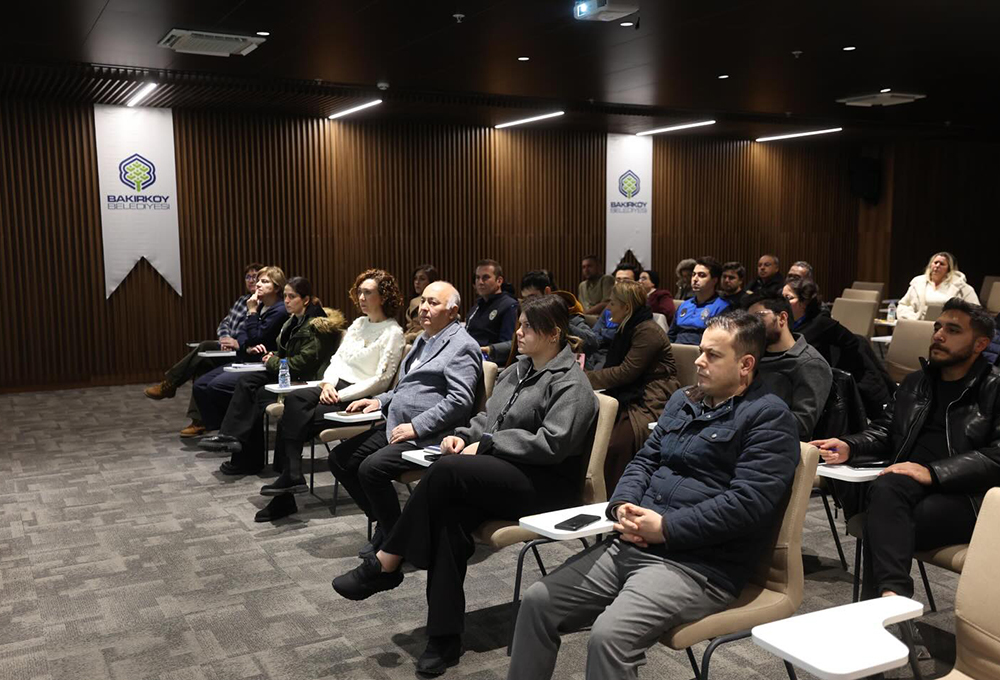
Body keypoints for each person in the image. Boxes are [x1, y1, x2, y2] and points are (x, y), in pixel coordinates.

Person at [507, 311, 800, 680]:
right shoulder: (684, 400)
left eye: (712, 355)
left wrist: (665, 528)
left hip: (699, 565)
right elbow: (644, 460)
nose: (698, 361)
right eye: (701, 351)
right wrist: (622, 506)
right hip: (634, 543)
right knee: (538, 602)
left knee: (609, 637)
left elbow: (747, 505)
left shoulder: (769, 419)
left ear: (746, 365)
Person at [331, 294, 600, 675]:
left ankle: (388, 560)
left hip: (547, 487)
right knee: (448, 519)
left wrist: (489, 444)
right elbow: (488, 420)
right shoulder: (517, 371)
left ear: (553, 334)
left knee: (448, 471)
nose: (518, 332)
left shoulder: (571, 383)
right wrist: (461, 435)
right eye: (519, 324)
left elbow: (553, 444)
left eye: (527, 326)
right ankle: (444, 639)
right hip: (504, 476)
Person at [810, 298, 999, 600]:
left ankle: (888, 604)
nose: (939, 335)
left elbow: (996, 457)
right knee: (887, 498)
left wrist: (932, 472)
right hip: (906, 491)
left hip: (971, 500)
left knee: (880, 517)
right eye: (937, 327)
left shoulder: (994, 389)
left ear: (980, 344)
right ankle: (892, 603)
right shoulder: (916, 383)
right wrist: (849, 446)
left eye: (953, 330)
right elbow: (886, 431)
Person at [327, 281, 482, 554]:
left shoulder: (462, 346)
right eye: (423, 301)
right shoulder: (424, 339)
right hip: (397, 424)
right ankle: (391, 527)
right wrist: (379, 400)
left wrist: (417, 427)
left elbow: (460, 401)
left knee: (371, 469)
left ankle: (394, 542)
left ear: (452, 311)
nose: (423, 308)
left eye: (433, 303)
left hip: (431, 435)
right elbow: (404, 389)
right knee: (340, 460)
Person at [254, 270, 406, 521]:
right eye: (360, 292)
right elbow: (337, 361)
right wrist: (327, 385)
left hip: (360, 397)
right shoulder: (358, 324)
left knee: (291, 420)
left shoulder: (393, 332)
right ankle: (291, 478)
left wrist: (341, 394)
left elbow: (380, 381)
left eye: (368, 292)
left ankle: (287, 490)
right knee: (294, 401)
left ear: (384, 297)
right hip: (334, 387)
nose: (361, 297)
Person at [198, 277, 345, 475]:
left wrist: (272, 361)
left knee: (251, 389)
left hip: (304, 380)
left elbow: (302, 364)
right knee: (249, 385)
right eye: (285, 296)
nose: (286, 301)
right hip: (288, 374)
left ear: (306, 300)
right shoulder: (293, 321)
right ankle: (236, 445)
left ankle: (241, 452)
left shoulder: (317, 327)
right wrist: (273, 355)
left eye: (292, 296)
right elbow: (286, 353)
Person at [144, 262, 263, 437]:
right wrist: (224, 338)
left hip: (243, 353)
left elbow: (253, 334)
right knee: (203, 364)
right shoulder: (241, 301)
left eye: (256, 277)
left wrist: (235, 341)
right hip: (227, 348)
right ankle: (198, 421)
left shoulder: (262, 304)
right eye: (248, 277)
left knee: (205, 347)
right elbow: (224, 323)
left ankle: (171, 384)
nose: (251, 280)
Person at [587, 280, 680, 495]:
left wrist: (585, 378)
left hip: (650, 397)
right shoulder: (628, 327)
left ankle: (616, 496)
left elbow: (625, 372)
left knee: (614, 445)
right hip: (628, 391)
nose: (608, 308)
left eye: (612, 303)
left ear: (627, 307)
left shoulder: (648, 332)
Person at [191, 266, 290, 434]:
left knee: (217, 386)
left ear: (277, 287)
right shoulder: (260, 307)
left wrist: (251, 312)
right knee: (200, 385)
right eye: (258, 281)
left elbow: (256, 337)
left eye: (264, 281)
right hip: (247, 359)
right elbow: (242, 334)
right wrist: (247, 347)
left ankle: (234, 431)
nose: (258, 284)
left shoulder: (279, 310)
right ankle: (220, 429)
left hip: (264, 365)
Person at [784, 277, 894, 419]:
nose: (782, 302)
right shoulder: (786, 323)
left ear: (804, 302)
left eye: (788, 298)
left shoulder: (822, 323)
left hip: (817, 383)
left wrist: (836, 372)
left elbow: (853, 342)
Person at [748, 295, 833, 440]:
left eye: (758, 316)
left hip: (773, 442)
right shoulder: (753, 357)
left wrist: (748, 418)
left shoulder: (809, 363)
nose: (752, 325)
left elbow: (802, 425)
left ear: (782, 318)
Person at [484, 270, 597, 365]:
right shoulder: (527, 314)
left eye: (533, 297)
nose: (529, 304)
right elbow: (523, 341)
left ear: (547, 292)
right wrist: (492, 349)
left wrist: (557, 321)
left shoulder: (568, 311)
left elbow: (592, 343)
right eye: (525, 299)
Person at [588, 263, 641, 370]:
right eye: (618, 280)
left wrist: (603, 332)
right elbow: (594, 333)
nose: (620, 284)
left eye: (625, 280)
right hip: (597, 351)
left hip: (618, 356)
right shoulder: (610, 307)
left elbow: (623, 336)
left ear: (636, 284)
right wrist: (604, 335)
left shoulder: (639, 309)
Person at [897, 251, 980, 320]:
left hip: (949, 326)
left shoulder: (961, 286)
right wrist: (912, 318)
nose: (937, 266)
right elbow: (903, 305)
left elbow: (975, 310)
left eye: (942, 264)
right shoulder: (918, 283)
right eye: (935, 263)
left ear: (949, 269)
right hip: (919, 324)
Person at [668, 256, 730, 346]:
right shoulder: (684, 305)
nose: (695, 279)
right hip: (676, 351)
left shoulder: (722, 307)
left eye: (701, 275)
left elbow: (718, 341)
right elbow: (671, 335)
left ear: (714, 280)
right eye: (693, 274)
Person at [466, 259, 518, 350]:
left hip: (489, 356)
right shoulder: (477, 306)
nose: (480, 282)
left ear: (499, 281)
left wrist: (489, 350)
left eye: (485, 277)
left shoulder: (509, 306)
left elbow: (509, 344)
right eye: (477, 278)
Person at [403, 264, 439, 344]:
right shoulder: (413, 301)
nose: (417, 282)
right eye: (415, 278)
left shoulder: (437, 302)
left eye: (422, 279)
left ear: (431, 282)